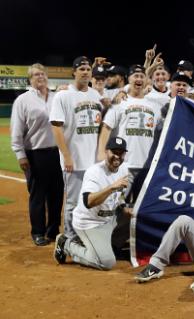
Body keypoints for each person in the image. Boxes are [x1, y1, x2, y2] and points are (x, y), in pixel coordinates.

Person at [53, 136, 130, 270]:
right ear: (106, 151)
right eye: (114, 152)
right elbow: (88, 202)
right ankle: (66, 244)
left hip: (108, 220)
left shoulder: (124, 169)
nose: (117, 156)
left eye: (121, 153)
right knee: (106, 263)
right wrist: (112, 187)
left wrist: (123, 207)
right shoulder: (94, 172)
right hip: (89, 223)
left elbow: (120, 195)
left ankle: (110, 246)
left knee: (134, 215)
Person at [49, 56, 103, 243]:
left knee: (90, 201)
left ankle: (83, 235)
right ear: (74, 72)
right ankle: (70, 239)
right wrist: (66, 156)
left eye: (88, 69)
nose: (86, 72)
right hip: (74, 160)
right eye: (81, 69)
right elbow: (56, 127)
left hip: (94, 162)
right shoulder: (63, 95)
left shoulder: (96, 95)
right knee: (72, 202)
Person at [10, 63, 64, 245]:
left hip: (58, 153)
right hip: (35, 154)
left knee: (57, 194)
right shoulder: (23, 100)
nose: (40, 77)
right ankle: (38, 232)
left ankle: (53, 230)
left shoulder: (57, 97)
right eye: (35, 75)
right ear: (30, 79)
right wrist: (20, 154)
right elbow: (16, 130)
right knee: (38, 195)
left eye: (42, 74)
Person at [98, 65, 162, 200]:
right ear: (129, 79)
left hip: (147, 165)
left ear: (146, 80)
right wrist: (102, 153)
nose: (139, 79)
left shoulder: (155, 106)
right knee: (119, 205)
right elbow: (106, 127)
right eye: (135, 76)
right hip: (124, 164)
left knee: (140, 208)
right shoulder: (120, 103)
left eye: (141, 76)